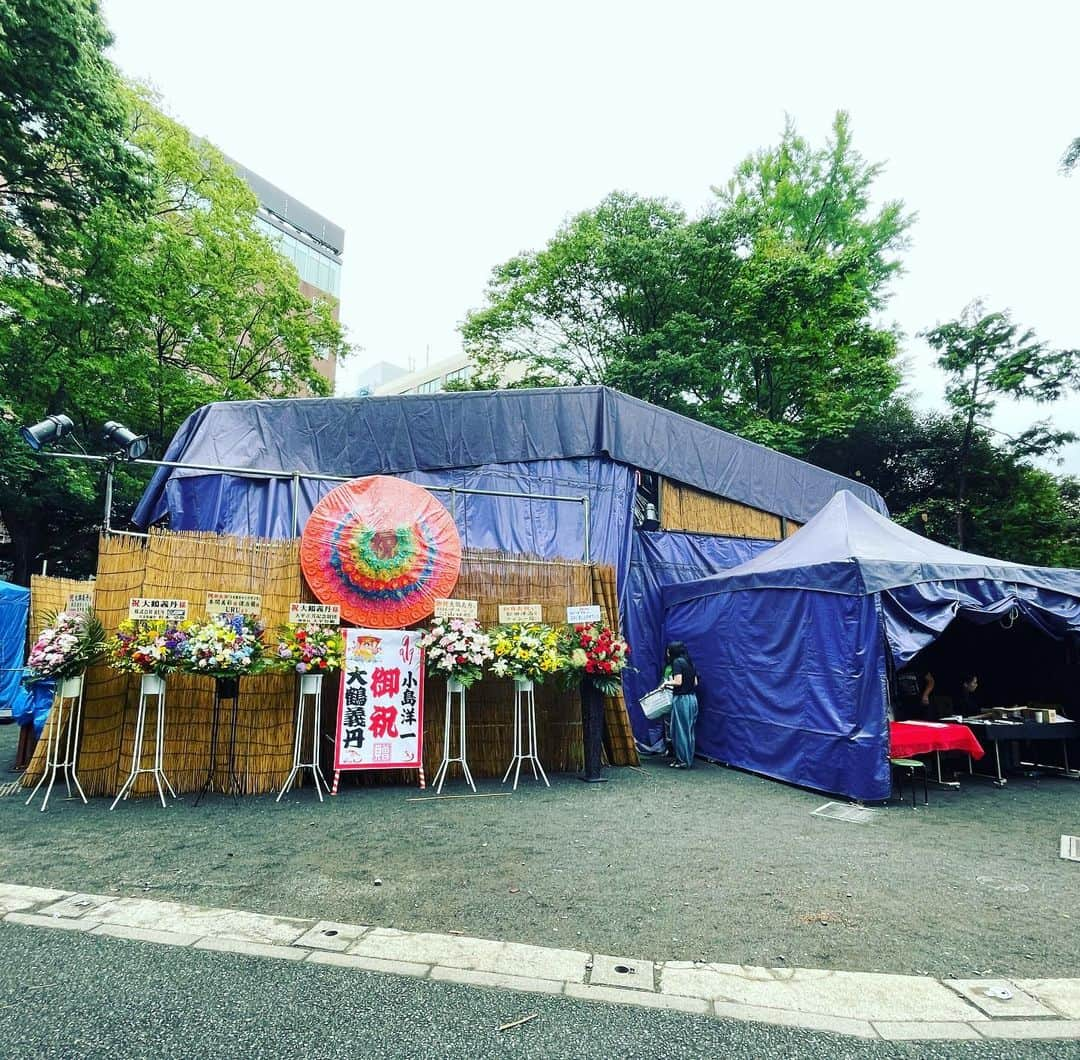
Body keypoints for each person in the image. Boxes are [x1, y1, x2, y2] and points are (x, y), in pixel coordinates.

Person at [662, 641, 699, 769]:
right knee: (689, 730)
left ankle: (682, 760)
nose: (667, 653)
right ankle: (688, 758)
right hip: (692, 699)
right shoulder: (690, 662)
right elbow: (695, 683)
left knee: (679, 731)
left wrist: (666, 683)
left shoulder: (677, 662)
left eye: (668, 651)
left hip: (681, 700)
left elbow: (678, 682)